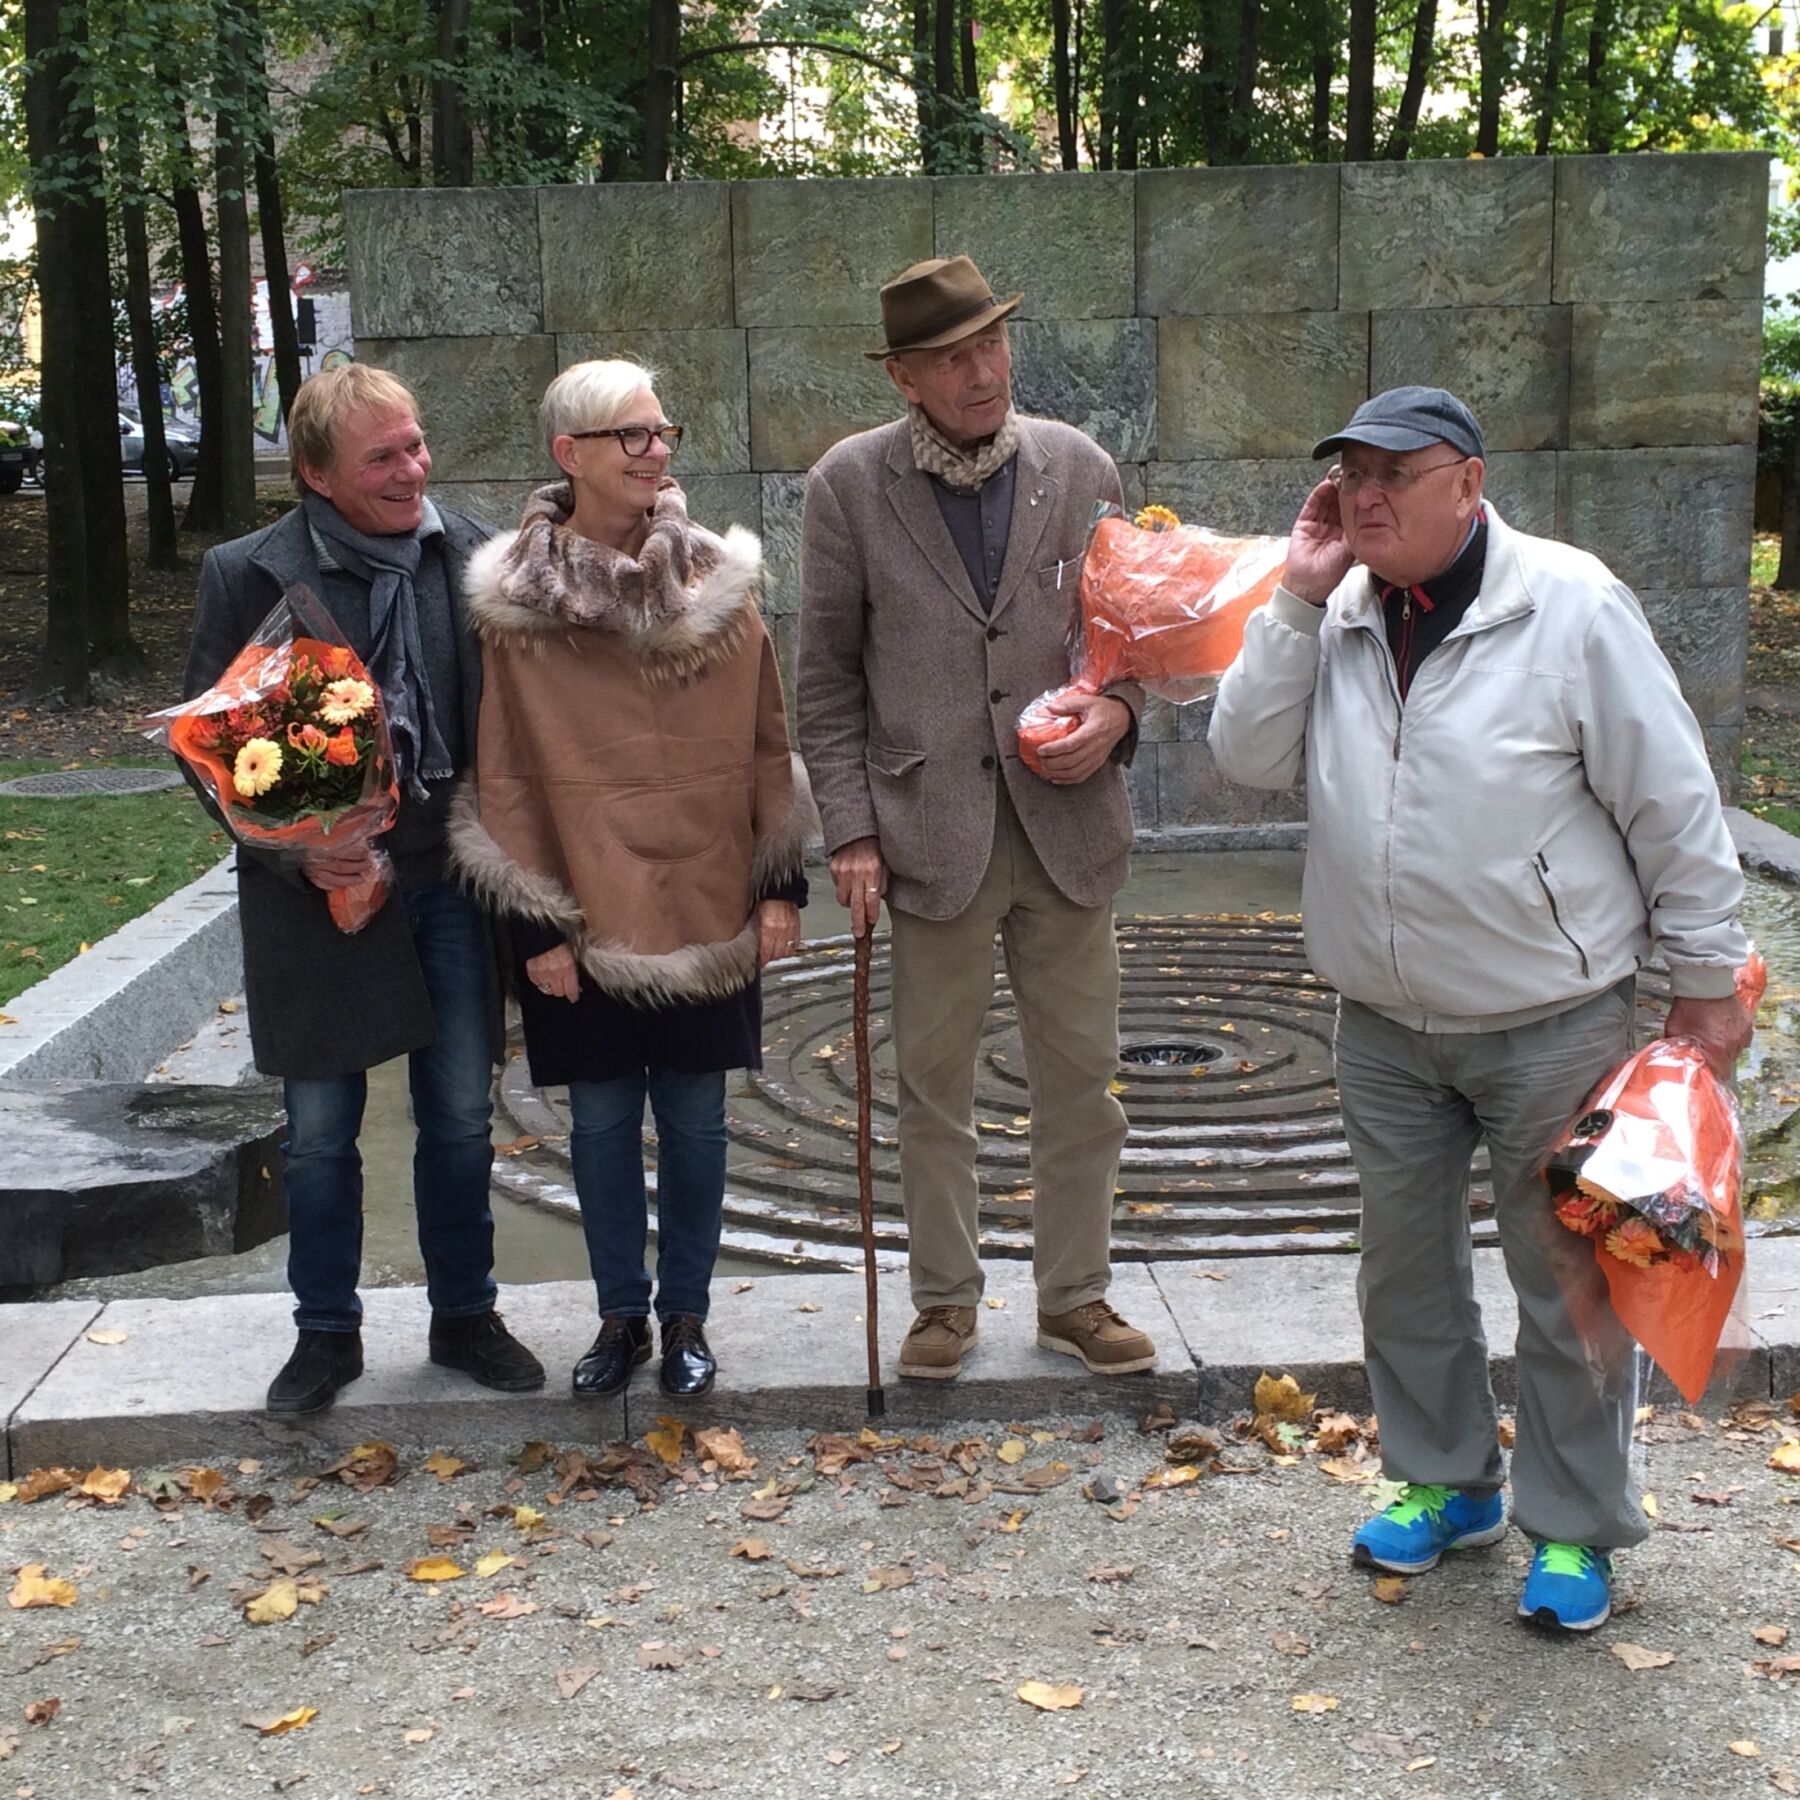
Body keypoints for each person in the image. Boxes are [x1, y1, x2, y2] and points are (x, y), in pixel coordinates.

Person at [1209, 384, 1753, 1632]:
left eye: (1398, 472)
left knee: (1566, 1281)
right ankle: (1447, 1483)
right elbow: (1243, 753)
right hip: (1386, 1017)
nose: (1368, 495)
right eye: (1351, 472)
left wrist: (1706, 981)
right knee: (1403, 1274)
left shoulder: (1567, 603)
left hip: (1551, 1013)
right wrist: (1292, 594)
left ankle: (1574, 1530)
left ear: (1471, 481)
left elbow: (1672, 801)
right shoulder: (1337, 610)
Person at [797, 254, 1157, 1383]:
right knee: (931, 1086)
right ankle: (945, 1302)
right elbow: (825, 684)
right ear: (903, 376)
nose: (980, 371)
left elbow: (1135, 638)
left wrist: (1119, 711)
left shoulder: (1078, 465)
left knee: (1082, 1080)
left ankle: (1077, 1297)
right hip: (926, 834)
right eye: (951, 357)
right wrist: (850, 831)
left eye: (992, 344)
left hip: (1068, 828)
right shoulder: (849, 487)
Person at [185, 363, 544, 1416]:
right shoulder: (249, 573)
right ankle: (325, 1336)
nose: (412, 469)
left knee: (462, 1117)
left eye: (417, 445)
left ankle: (466, 1316)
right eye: (383, 457)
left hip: (445, 882)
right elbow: (207, 751)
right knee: (317, 1132)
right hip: (314, 897)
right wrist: (298, 851)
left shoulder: (472, 555)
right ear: (317, 475)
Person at [449, 359, 811, 1401]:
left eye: (664, 431)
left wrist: (780, 883)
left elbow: (764, 742)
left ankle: (687, 1316)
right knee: (603, 1126)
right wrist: (536, 930)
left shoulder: (719, 582)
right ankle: (621, 1317)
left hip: (706, 897)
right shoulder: (518, 605)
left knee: (697, 1123)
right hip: (582, 906)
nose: (659, 451)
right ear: (570, 455)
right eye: (633, 436)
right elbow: (505, 770)